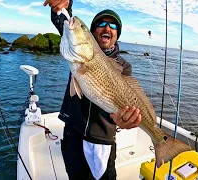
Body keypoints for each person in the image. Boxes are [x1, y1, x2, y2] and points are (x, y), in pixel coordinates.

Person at [43, 0, 142, 179]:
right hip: (73, 134)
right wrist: (65, 4)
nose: (107, 28)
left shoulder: (124, 67)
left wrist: (123, 120)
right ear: (92, 32)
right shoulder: (77, 47)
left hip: (103, 141)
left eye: (113, 25)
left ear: (117, 34)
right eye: (101, 24)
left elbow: (116, 108)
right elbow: (64, 19)